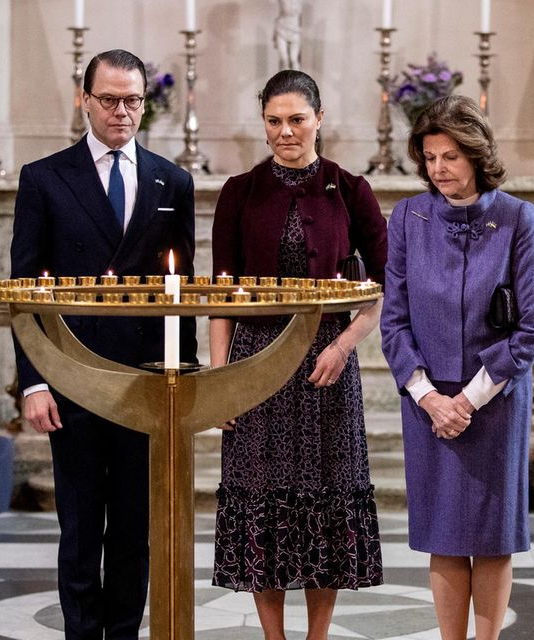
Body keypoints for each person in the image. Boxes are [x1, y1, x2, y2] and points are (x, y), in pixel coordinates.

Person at [10, 49, 197, 639]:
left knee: (135, 530)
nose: (122, 112)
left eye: (133, 100)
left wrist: (186, 380)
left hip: (147, 380)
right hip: (73, 378)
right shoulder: (44, 178)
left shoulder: (173, 180)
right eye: (110, 100)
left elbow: (182, 289)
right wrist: (33, 382)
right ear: (84, 100)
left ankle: (122, 634)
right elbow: (24, 289)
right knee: (81, 527)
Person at [209, 69, 386, 640]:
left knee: (326, 501)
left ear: (319, 119)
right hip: (254, 365)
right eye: (274, 121)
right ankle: (274, 637)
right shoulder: (239, 191)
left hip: (326, 367)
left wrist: (344, 344)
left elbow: (386, 287)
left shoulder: (350, 188)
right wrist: (221, 381)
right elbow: (221, 296)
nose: (285, 131)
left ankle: (317, 636)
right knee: (262, 499)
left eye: (296, 120)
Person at [380, 94, 534, 640]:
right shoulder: (408, 217)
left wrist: (468, 400)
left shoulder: (517, 217)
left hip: (494, 399)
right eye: (430, 158)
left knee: (493, 537)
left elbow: (530, 329)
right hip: (428, 403)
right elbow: (394, 321)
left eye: (450, 156)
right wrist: (430, 398)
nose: (439, 169)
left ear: (476, 154)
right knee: (444, 535)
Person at [273, 0, 302, 70]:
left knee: (293, 59)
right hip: (281, 29)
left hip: (295, 31)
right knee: (284, 59)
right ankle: (284, 75)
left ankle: (296, 75)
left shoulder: (299, 3)